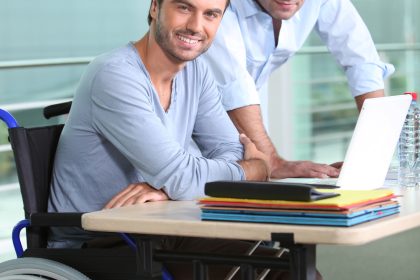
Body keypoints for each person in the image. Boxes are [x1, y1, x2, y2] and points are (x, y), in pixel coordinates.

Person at [48, 0, 299, 278]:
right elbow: (187, 177)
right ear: (155, 7)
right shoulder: (115, 74)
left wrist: (172, 187)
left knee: (290, 267)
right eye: (184, 8)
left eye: (211, 14)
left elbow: (229, 150)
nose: (195, 26)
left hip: (164, 226)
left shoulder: (197, 72)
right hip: (102, 240)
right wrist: (257, 168)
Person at [201, 0, 394, 179]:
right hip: (199, 126)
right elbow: (234, 84)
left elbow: (361, 60)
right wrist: (272, 162)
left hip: (251, 120)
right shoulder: (217, 5)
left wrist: (375, 150)